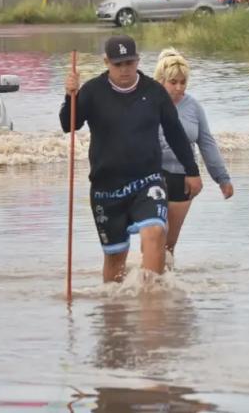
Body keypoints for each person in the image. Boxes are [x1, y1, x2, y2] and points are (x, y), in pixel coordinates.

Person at [60, 35, 204, 283]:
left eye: (130, 63)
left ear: (138, 60)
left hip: (147, 180)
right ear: (106, 62)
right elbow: (68, 124)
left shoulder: (154, 91)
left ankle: (152, 300)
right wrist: (70, 96)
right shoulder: (92, 91)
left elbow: (175, 132)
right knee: (115, 261)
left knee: (156, 232)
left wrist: (192, 170)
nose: (125, 69)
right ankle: (114, 311)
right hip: (106, 188)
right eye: (118, 64)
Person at [153, 48, 234, 269]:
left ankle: (166, 288)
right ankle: (146, 282)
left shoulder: (193, 107)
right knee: (153, 238)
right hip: (152, 177)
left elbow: (206, 143)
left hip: (183, 178)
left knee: (168, 244)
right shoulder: (147, 103)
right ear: (161, 80)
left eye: (183, 82)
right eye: (173, 82)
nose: (179, 87)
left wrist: (222, 178)